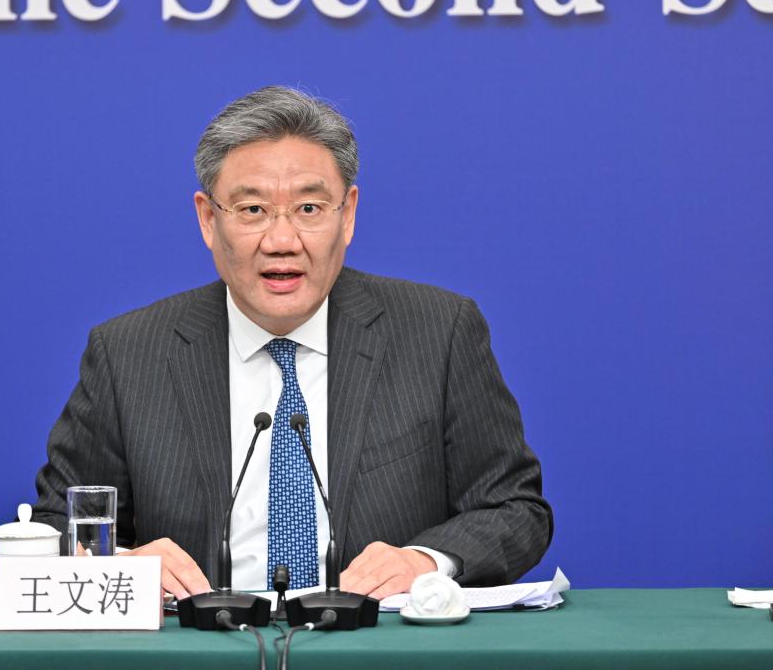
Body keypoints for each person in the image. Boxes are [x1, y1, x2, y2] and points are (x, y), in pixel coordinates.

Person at [32, 86, 551, 600]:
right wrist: (121, 566)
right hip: (201, 640)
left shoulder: (439, 332)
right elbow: (57, 523)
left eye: (308, 208)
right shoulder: (128, 353)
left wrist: (425, 562)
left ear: (347, 215)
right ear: (208, 220)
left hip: (377, 639)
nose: (282, 241)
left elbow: (513, 508)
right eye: (252, 210)